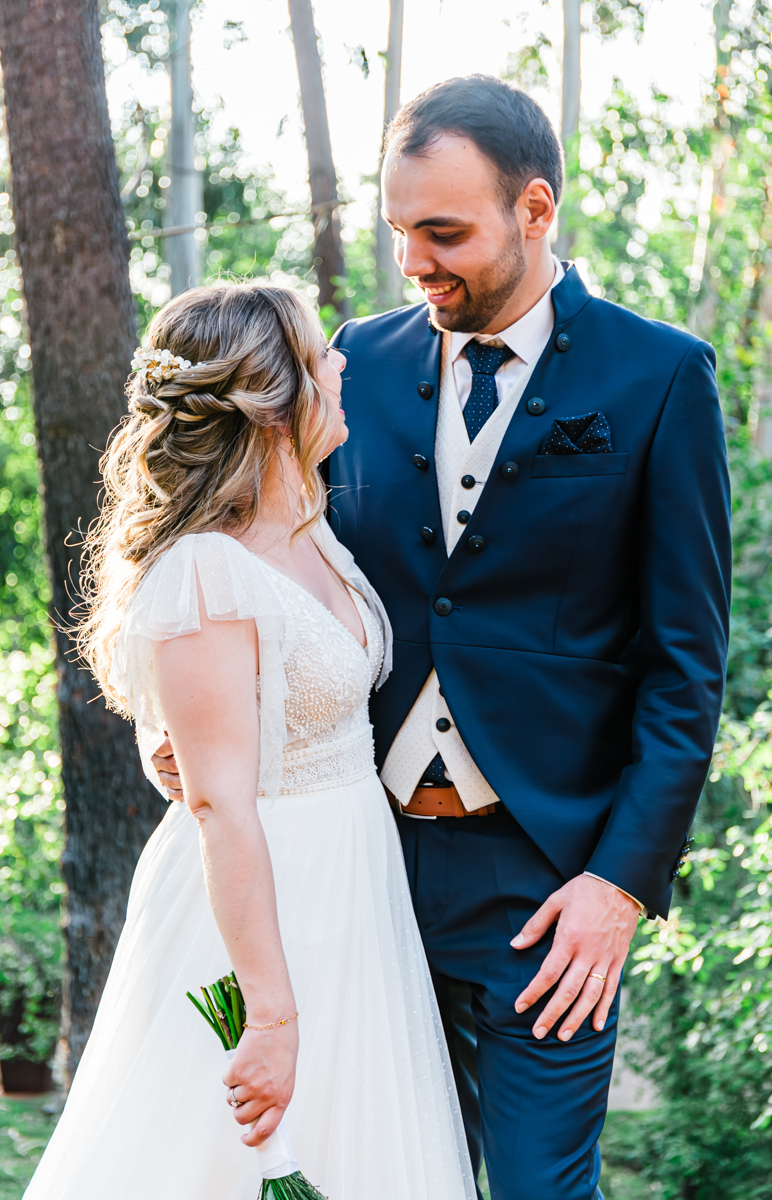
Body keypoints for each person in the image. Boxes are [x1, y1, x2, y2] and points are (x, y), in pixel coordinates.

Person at [153, 78, 732, 1197]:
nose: (414, 263)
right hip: (353, 867)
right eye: (398, 232)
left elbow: (683, 669)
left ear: (533, 209)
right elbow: (220, 556)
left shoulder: (659, 380)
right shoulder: (347, 367)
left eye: (443, 232)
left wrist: (617, 885)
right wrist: (162, 727)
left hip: (542, 886)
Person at [24, 282, 476, 1200]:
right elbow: (220, 800)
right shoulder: (201, 570)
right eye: (318, 359)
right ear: (271, 404)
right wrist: (269, 1015)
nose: (341, 362)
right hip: (259, 913)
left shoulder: (312, 528)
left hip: (355, 894)